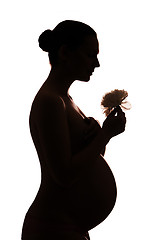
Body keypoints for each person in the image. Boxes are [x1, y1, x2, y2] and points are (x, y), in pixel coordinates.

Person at [21, 20, 126, 240]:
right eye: (90, 55)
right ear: (66, 52)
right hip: (52, 228)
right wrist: (106, 134)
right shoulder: (50, 101)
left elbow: (86, 164)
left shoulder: (66, 100)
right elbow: (64, 175)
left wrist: (99, 137)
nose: (96, 64)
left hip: (68, 227)